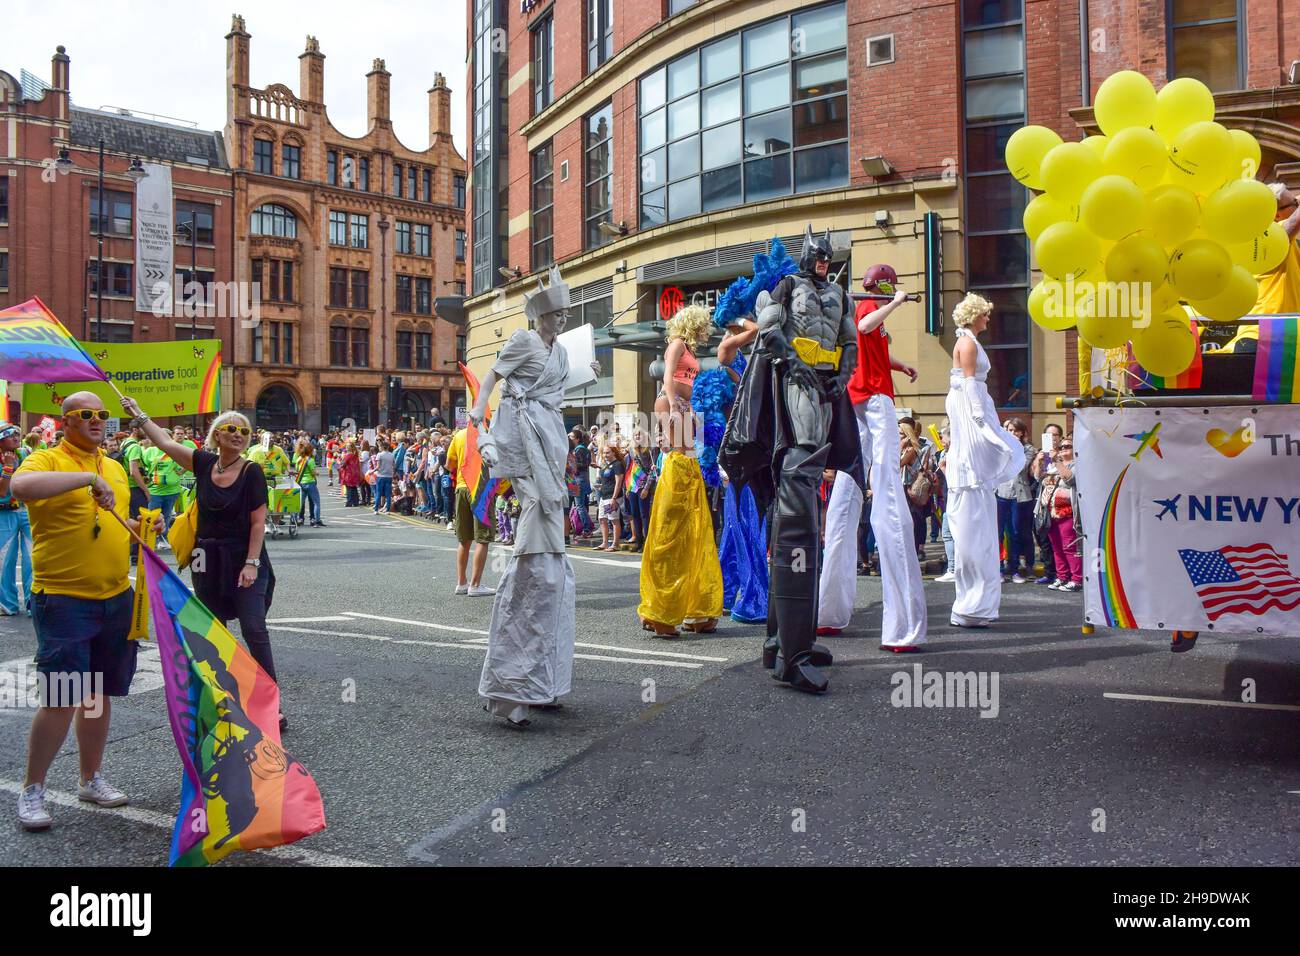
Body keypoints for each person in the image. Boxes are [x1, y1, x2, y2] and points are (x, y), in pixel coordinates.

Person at [12, 392, 165, 831]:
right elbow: (19, 488)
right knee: (61, 698)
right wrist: (80, 479)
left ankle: (90, 778)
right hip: (62, 598)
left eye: (102, 414)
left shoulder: (114, 467)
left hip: (115, 596)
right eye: (87, 414)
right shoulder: (48, 460)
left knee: (97, 695)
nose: (97, 420)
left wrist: (144, 526)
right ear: (66, 422)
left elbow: (116, 522)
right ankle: (33, 788)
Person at [471, 265, 599, 726]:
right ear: (539, 314)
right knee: (538, 578)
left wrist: (584, 375)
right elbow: (490, 381)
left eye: (566, 313)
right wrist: (480, 421)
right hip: (524, 438)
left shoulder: (560, 351)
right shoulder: (522, 341)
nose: (562, 320)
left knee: (552, 579)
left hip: (550, 436)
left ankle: (540, 684)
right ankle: (514, 690)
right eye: (556, 313)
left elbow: (553, 391)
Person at [121, 398, 287, 730]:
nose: (239, 434)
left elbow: (258, 523)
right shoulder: (203, 463)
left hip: (245, 559)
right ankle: (224, 700)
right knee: (216, 634)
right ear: (216, 435)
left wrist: (252, 563)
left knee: (254, 629)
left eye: (244, 431)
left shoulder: (251, 471)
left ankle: (270, 705)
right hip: (206, 560)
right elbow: (165, 443)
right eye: (232, 429)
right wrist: (139, 414)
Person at [815, 264, 926, 652]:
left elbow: (870, 350)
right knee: (887, 494)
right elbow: (864, 329)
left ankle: (828, 612)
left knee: (847, 498)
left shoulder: (865, 311)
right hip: (873, 400)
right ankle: (902, 625)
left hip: (860, 398)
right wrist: (894, 302)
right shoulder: (867, 309)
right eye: (892, 286)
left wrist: (899, 364)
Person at [637, 304, 724, 638]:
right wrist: (674, 406)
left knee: (690, 494)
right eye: (702, 326)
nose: (705, 332)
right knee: (678, 480)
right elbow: (666, 377)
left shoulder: (687, 348)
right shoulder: (676, 343)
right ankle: (662, 611)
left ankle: (694, 608)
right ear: (692, 324)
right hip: (673, 406)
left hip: (683, 409)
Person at [945, 294, 1026, 627]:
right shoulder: (968, 344)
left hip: (972, 409)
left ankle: (975, 604)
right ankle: (972, 604)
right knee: (977, 476)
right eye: (986, 316)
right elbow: (968, 387)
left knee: (980, 482)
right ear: (975, 316)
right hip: (970, 410)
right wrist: (984, 424)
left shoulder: (969, 342)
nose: (989, 321)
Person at [445, 426, 495, 596]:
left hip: (461, 486)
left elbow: (449, 464)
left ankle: (461, 583)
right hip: (481, 488)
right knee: (482, 538)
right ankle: (475, 585)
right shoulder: (489, 435)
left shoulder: (459, 435)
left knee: (464, 539)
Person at [995, 418, 1037, 584]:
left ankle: (1014, 570)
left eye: (1015, 430)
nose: (1012, 433)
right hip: (1000, 493)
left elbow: (1021, 466)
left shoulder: (1027, 449)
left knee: (1015, 532)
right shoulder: (1000, 447)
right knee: (998, 533)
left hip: (1020, 495)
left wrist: (1013, 448)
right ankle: (999, 569)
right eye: (1009, 430)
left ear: (1021, 432)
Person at [0, 421, 34, 616]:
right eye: (9, 433)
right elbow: (2, 491)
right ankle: (7, 605)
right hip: (5, 513)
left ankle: (33, 604)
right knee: (5, 560)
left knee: (33, 558)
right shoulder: (5, 460)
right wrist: (7, 467)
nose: (15, 436)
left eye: (16, 433)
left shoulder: (26, 454)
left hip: (28, 510)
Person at [294, 437, 323, 527]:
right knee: (316, 502)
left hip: (301, 482)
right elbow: (314, 472)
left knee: (299, 503)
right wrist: (317, 473)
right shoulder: (310, 460)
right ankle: (316, 520)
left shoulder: (298, 459)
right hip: (310, 482)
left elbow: (297, 470)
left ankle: (294, 519)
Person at [373, 439, 395, 514]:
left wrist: (372, 471)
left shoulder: (380, 455)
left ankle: (376, 509)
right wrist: (393, 473)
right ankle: (388, 510)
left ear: (382, 447)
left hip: (381, 476)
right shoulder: (392, 455)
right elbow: (393, 466)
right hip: (389, 476)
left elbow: (378, 466)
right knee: (388, 494)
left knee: (378, 493)